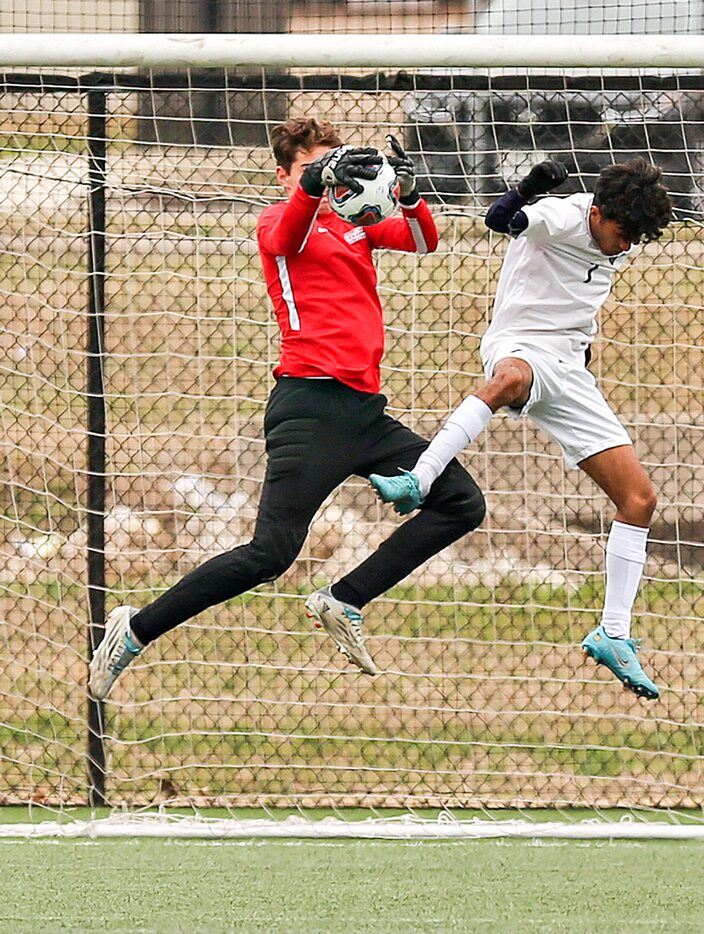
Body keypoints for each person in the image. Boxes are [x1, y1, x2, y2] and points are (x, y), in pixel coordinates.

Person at [88, 118, 486, 700]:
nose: (328, 180)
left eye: (333, 166)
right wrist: (314, 184)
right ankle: (136, 630)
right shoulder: (280, 220)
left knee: (461, 502)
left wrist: (409, 193)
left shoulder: (356, 225)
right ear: (285, 174)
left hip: (365, 416)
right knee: (270, 554)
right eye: (311, 169)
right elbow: (286, 236)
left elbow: (424, 242)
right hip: (309, 409)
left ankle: (345, 597)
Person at [368, 158, 674, 699]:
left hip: (571, 369)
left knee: (640, 501)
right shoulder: (562, 216)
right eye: (622, 234)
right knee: (508, 381)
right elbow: (500, 219)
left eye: (636, 240)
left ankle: (614, 633)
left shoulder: (611, 235)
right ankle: (419, 478)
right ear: (598, 213)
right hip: (520, 346)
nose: (625, 247)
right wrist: (529, 188)